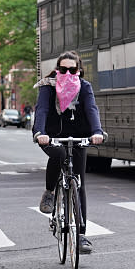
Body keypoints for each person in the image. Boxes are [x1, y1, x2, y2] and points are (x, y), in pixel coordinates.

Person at [33, 51, 104, 254]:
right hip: (51, 135)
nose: (67, 73)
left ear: (79, 71)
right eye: (63, 69)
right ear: (57, 70)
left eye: (72, 70)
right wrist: (40, 133)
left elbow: (92, 110)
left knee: (79, 181)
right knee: (59, 155)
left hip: (78, 137)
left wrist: (97, 132)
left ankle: (81, 234)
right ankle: (49, 192)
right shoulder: (48, 86)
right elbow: (42, 111)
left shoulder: (85, 87)